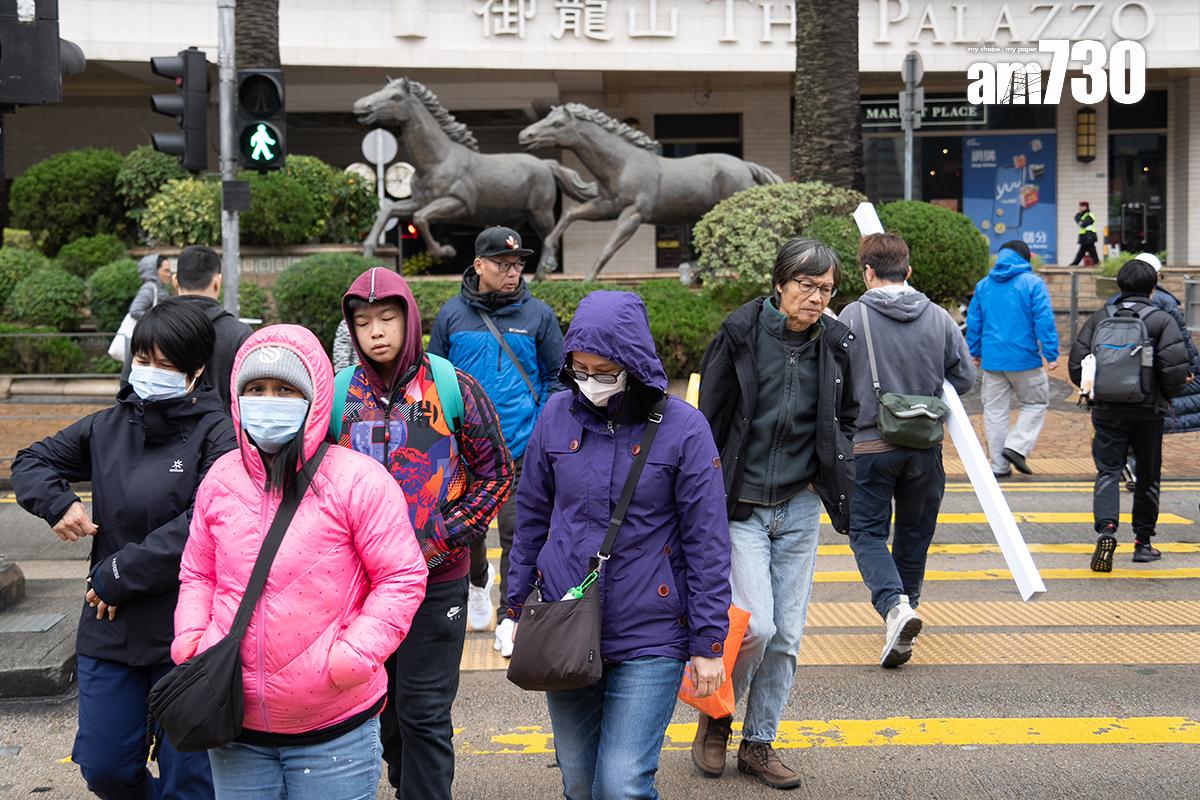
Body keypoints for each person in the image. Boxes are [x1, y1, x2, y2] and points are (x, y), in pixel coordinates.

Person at [173, 325, 429, 800]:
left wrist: (352, 656)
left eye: (285, 389)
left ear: (314, 397)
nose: (268, 400)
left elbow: (401, 577)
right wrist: (192, 640)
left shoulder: (358, 481)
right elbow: (198, 573)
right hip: (234, 723)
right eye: (255, 389)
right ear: (236, 395)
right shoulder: (220, 479)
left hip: (334, 728)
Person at [506, 290, 730, 800]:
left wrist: (708, 643)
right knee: (580, 783)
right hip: (565, 624)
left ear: (633, 362)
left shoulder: (684, 429)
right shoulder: (556, 415)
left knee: (622, 783)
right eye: (580, 370)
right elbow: (532, 519)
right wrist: (513, 608)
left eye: (604, 371)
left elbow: (708, 543)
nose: (590, 383)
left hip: (651, 632)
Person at [12, 299, 236, 799]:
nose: (150, 372)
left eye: (166, 364)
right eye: (143, 359)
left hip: (188, 627)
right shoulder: (107, 426)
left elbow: (208, 520)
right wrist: (58, 502)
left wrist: (120, 573)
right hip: (110, 626)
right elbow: (30, 461)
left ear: (196, 369)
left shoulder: (218, 432)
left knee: (192, 780)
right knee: (104, 766)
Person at [334, 267, 514, 800]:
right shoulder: (342, 393)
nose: (377, 332)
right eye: (363, 322)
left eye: (387, 318)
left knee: (425, 712)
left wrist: (449, 531)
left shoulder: (454, 385)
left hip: (438, 580)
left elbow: (497, 471)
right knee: (383, 712)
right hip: (364, 587)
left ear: (409, 319)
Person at [695, 237, 857, 789]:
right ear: (780, 284)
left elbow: (850, 414)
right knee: (756, 627)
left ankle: (758, 743)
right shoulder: (739, 334)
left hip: (800, 503)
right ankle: (717, 716)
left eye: (826, 289)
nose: (815, 298)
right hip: (741, 506)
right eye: (807, 286)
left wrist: (831, 467)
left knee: (788, 635)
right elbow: (707, 421)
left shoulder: (835, 343)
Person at [837, 233, 976, 668]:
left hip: (870, 447)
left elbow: (835, 378)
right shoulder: (938, 317)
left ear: (867, 272)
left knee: (867, 534)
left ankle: (896, 609)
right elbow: (966, 379)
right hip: (924, 449)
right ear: (908, 271)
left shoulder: (852, 316)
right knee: (914, 536)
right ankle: (904, 612)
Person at [428, 226, 563, 653]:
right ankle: (477, 582)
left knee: (519, 535)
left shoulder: (537, 315)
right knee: (467, 532)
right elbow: (435, 379)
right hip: (466, 450)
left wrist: (541, 425)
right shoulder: (452, 316)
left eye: (518, 264)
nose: (512, 272)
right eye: (502, 264)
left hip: (522, 445)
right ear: (478, 265)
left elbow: (558, 378)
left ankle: (512, 616)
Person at [1069, 259, 1190, 570]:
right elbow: (1175, 371)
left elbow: (1077, 365)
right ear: (1153, 287)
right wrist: (1165, 394)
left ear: (1118, 286)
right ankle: (1143, 543)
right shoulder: (1161, 320)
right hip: (1148, 412)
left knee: (1108, 472)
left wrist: (1097, 392)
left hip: (1107, 409)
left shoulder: (1099, 318)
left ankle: (1106, 530)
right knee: (1148, 476)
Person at [965, 240, 1059, 479]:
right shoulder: (1032, 284)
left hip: (993, 361)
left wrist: (974, 352)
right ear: (1025, 258)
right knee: (1035, 403)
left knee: (995, 412)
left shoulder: (984, 286)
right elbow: (1044, 320)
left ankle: (999, 465)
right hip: (1025, 359)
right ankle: (1017, 447)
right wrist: (1051, 353)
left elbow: (975, 323)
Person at [170, 245, 252, 411]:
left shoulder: (151, 326)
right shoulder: (239, 333)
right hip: (224, 434)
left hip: (159, 434)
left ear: (175, 281)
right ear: (217, 282)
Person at [120, 253, 172, 384]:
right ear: (154, 271)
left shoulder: (159, 288)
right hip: (145, 339)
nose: (169, 274)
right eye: (166, 270)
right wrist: (155, 322)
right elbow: (135, 310)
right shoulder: (150, 288)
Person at [1070, 201, 1100, 266]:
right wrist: (1081, 222)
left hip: (1090, 236)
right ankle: (1096, 263)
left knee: (1089, 250)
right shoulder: (1079, 215)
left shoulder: (1090, 215)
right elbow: (1078, 220)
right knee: (1085, 250)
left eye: (1081, 207)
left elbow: (1083, 224)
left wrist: (1081, 222)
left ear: (1085, 207)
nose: (1080, 208)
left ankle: (1075, 263)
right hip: (1084, 236)